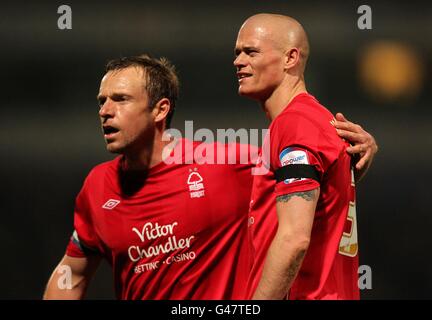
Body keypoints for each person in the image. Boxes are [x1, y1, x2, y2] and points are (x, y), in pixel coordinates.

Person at [44, 53, 376, 299]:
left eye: (120, 100)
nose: (104, 111)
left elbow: (311, 183)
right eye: (102, 101)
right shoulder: (97, 187)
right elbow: (71, 273)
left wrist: (353, 150)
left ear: (160, 110)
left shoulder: (227, 163)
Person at [233, 13, 374, 299]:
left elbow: (294, 239)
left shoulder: (296, 125)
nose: (238, 61)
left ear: (290, 58)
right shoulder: (313, 121)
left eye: (251, 52)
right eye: (237, 53)